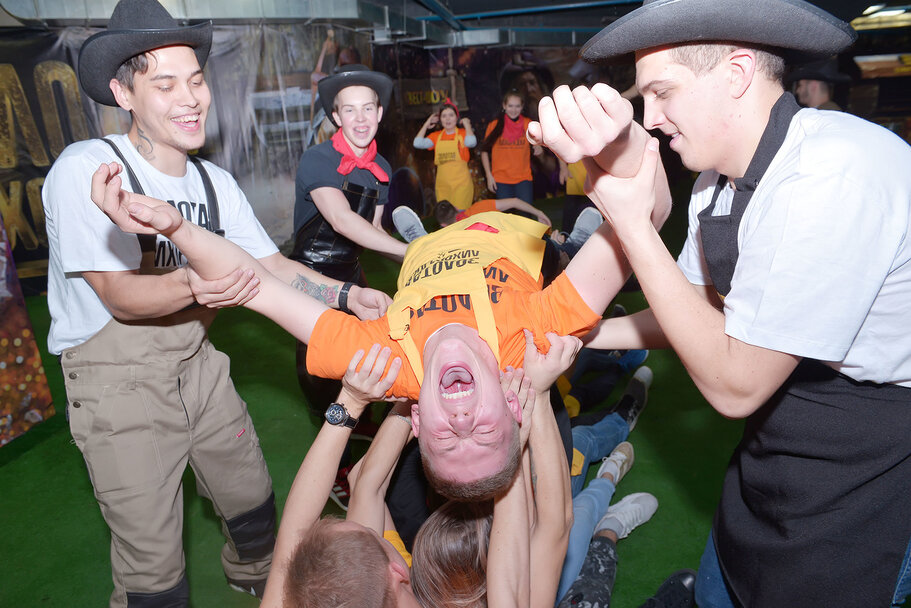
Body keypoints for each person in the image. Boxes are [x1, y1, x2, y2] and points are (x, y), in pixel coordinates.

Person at [530, 0, 911, 605]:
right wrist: (584, 334)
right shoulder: (717, 181)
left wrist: (632, 224)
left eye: (662, 93)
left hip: (868, 456)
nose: (650, 117)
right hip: (773, 446)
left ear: (736, 74)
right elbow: (694, 308)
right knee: (724, 580)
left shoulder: (833, 175)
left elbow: (737, 385)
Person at [88, 119, 671, 502]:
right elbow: (647, 214)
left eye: (446, 440)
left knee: (427, 244)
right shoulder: (533, 337)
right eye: (485, 431)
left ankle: (420, 239)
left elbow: (254, 287)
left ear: (416, 422)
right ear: (514, 404)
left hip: (428, 249)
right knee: (570, 266)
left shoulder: (382, 366)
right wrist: (620, 142)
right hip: (509, 232)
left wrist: (177, 227)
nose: (462, 423)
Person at [42, 1, 389, 605]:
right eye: (165, 85)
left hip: (198, 362)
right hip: (115, 380)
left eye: (196, 81)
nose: (190, 99)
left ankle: (254, 578)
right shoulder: (91, 169)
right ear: (124, 94)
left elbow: (273, 267)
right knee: (153, 568)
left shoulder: (213, 183)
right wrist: (194, 285)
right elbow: (120, 297)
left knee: (253, 502)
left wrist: (346, 294)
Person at [289, 63, 408, 421]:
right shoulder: (317, 159)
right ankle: (334, 446)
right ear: (337, 116)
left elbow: (374, 231)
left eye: (368, 108)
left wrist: (420, 259)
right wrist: (410, 249)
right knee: (321, 371)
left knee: (371, 360)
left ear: (380, 113)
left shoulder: (381, 167)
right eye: (350, 110)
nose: (360, 119)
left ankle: (366, 438)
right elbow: (342, 220)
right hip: (311, 276)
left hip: (353, 273)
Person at [480, 90, 543, 204]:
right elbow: (484, 151)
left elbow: (538, 144)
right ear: (504, 106)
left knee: (526, 213)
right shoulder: (494, 125)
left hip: (523, 179)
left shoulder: (528, 124)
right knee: (506, 214)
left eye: (517, 106)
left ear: (522, 107)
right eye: (510, 106)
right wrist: (489, 176)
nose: (514, 110)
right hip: (501, 179)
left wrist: (539, 147)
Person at [413, 99, 477, 210]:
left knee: (460, 217)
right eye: (444, 116)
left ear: (457, 118)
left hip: (461, 185)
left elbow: (471, 142)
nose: (447, 119)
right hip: (443, 186)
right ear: (440, 119)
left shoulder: (463, 134)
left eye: (451, 115)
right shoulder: (436, 136)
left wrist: (467, 125)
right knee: (445, 217)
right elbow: (417, 143)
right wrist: (427, 124)